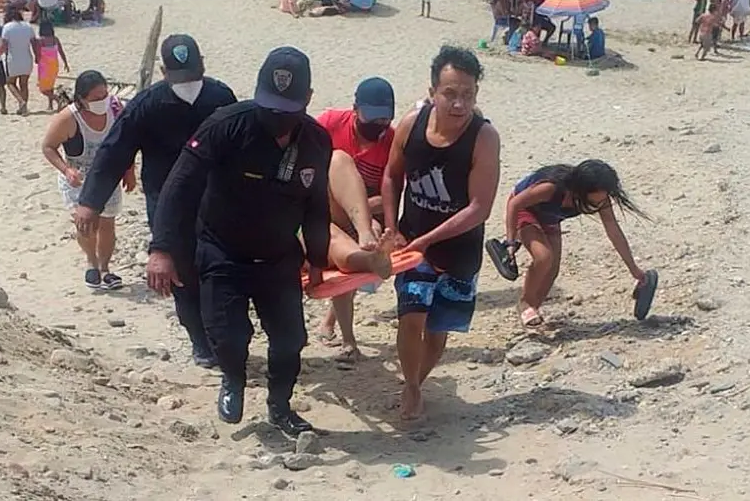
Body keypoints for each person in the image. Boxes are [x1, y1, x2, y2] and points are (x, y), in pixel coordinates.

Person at [148, 46, 332, 436]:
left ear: (308, 100)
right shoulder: (225, 126)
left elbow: (317, 205)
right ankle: (232, 378)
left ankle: (280, 406)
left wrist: (318, 260)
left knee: (290, 340)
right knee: (228, 334)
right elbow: (178, 186)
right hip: (222, 249)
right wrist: (161, 249)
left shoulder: (317, 141)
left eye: (288, 109)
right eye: (270, 107)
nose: (277, 117)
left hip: (279, 257)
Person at [76, 34, 237, 367]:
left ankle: (218, 336)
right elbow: (115, 151)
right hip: (166, 203)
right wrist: (91, 200)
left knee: (218, 269)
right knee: (180, 272)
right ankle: (200, 341)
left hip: (217, 201)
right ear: (164, 71)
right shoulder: (147, 104)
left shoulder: (222, 97)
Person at [381, 46, 500, 422]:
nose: (459, 103)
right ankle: (412, 387)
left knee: (437, 330)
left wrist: (431, 238)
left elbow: (480, 207)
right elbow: (390, 177)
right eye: (450, 93)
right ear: (433, 91)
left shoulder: (484, 138)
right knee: (410, 316)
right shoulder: (410, 125)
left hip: (460, 250)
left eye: (468, 94)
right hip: (413, 245)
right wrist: (391, 226)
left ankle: (418, 378)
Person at [486, 160, 647, 328]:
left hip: (550, 218)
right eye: (592, 203)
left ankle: (533, 309)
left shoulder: (601, 199)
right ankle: (525, 304)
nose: (598, 206)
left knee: (552, 268)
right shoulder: (551, 188)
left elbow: (614, 231)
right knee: (543, 257)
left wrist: (634, 269)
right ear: (577, 192)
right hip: (525, 210)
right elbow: (515, 204)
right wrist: (510, 242)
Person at [315, 78, 398, 362]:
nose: (378, 125)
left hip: (358, 215)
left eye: (384, 119)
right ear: (354, 110)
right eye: (371, 118)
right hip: (317, 202)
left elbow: (391, 194)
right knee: (338, 160)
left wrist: (361, 208)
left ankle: (346, 339)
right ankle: (341, 334)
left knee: (351, 250)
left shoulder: (391, 142)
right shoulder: (330, 123)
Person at [42, 70, 134, 290]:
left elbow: (127, 140)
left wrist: (129, 169)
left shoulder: (114, 108)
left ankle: (105, 268)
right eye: (96, 99)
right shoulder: (68, 118)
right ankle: (91, 263)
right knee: (85, 224)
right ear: (81, 99)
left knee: (107, 224)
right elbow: (48, 147)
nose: (102, 101)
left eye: (104, 95)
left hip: (107, 175)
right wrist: (66, 170)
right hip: (78, 178)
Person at [0, 8, 36, 115]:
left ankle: (21, 101)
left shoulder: (7, 28)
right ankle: (24, 108)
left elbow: (3, 46)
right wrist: (37, 56)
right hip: (27, 59)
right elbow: (34, 43)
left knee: (10, 83)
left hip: (13, 60)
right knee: (24, 84)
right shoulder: (28, 27)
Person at [34, 21, 70, 111]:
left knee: (43, 89)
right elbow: (61, 52)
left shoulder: (40, 40)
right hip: (54, 65)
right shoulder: (55, 39)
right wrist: (66, 63)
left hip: (44, 66)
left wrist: (36, 60)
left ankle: (58, 99)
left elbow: (38, 54)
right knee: (50, 86)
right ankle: (50, 105)